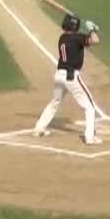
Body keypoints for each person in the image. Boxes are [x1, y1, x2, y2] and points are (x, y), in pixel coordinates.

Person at [33, 14, 101, 144]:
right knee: (89, 106)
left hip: (59, 75)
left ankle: (39, 128)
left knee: (55, 102)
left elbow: (84, 39)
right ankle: (90, 137)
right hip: (71, 76)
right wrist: (92, 29)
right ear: (75, 26)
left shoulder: (63, 38)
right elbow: (95, 40)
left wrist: (91, 30)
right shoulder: (77, 37)